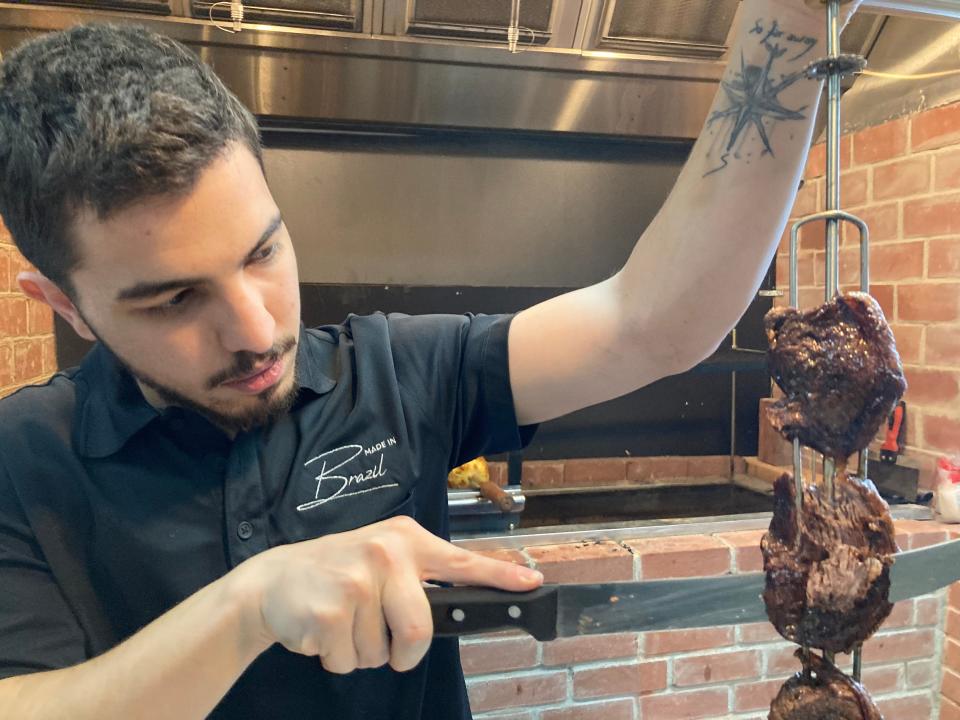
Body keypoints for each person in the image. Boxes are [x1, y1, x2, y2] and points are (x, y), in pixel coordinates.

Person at [0, 0, 861, 717]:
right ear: (63, 303)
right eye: (175, 300)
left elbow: (652, 323)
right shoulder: (24, 456)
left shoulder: (399, 371)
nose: (255, 330)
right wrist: (249, 608)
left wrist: (782, 24)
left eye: (263, 252)